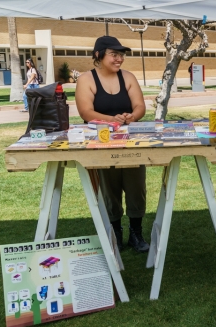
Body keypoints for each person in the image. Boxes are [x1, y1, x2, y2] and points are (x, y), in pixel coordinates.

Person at [75, 36, 149, 253]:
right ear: (98, 55)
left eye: (122, 55)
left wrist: (131, 116)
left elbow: (140, 106)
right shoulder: (87, 79)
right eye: (114, 54)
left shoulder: (128, 77)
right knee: (110, 188)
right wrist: (112, 120)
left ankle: (136, 232)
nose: (119, 59)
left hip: (130, 142)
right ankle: (115, 232)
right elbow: (85, 112)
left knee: (136, 186)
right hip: (101, 142)